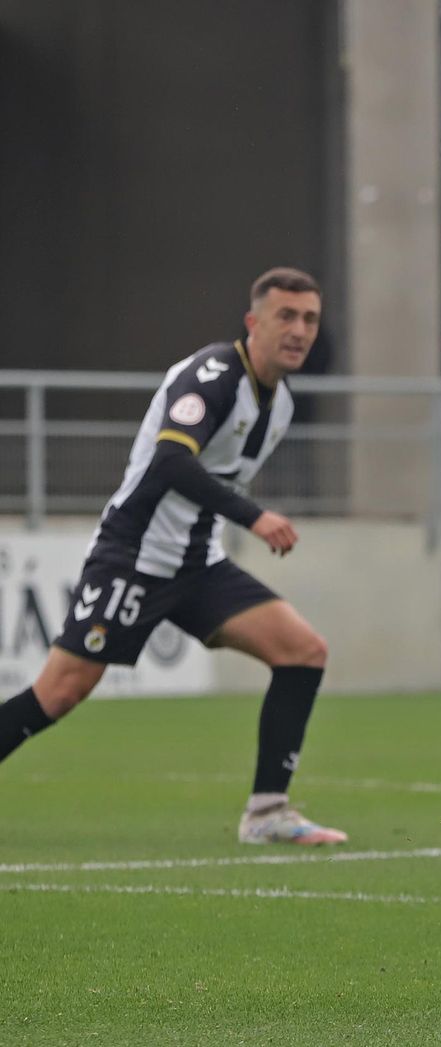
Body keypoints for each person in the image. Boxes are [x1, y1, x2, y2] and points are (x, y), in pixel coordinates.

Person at [0, 267, 347, 847]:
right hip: (132, 555)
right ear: (253, 321)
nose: (299, 330)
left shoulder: (280, 404)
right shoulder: (211, 374)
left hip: (196, 564)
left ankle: (267, 812)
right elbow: (168, 461)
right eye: (286, 315)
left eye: (309, 318)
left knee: (304, 651)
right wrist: (253, 516)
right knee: (60, 692)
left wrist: (230, 520)